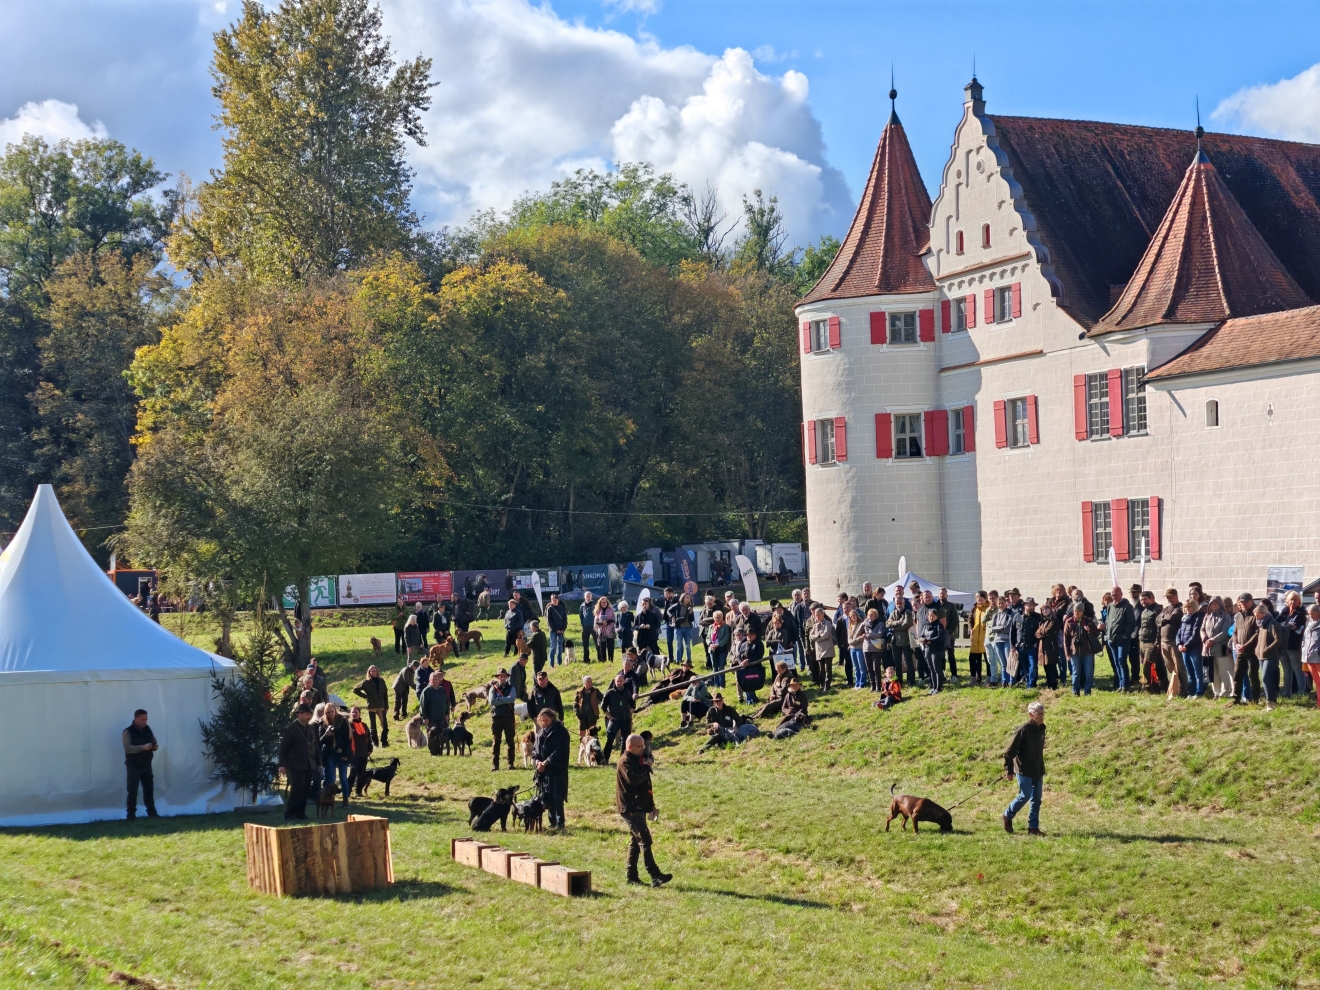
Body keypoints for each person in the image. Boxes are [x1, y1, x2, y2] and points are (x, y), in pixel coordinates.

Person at [616, 733, 673, 887]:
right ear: (629, 746)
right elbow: (634, 780)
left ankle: (632, 877)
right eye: (639, 746)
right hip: (630, 808)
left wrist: (651, 806)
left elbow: (645, 785)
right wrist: (647, 767)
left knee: (635, 842)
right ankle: (655, 875)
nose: (643, 749)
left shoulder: (638, 760)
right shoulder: (625, 762)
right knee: (645, 840)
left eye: (643, 746)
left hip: (640, 807)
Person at [1002, 701, 1047, 836]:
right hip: (1023, 770)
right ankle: (1007, 815)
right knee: (1024, 796)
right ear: (1031, 715)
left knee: (1037, 799)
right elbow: (1009, 752)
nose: (1042, 716)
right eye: (1039, 714)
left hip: (1038, 769)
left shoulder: (1042, 728)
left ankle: (1033, 828)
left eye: (1043, 713)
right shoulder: (1023, 730)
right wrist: (1009, 771)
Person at [278, 704, 319, 821]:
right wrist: (281, 764)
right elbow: (283, 747)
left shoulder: (310, 728)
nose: (309, 716)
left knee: (306, 789)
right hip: (294, 764)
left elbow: (315, 746)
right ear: (299, 714)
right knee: (297, 788)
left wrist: (318, 762)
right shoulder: (291, 728)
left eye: (310, 714)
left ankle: (300, 813)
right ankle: (290, 813)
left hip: (308, 763)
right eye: (306, 714)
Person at [532, 709, 570, 829]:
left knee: (557, 797)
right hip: (544, 772)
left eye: (546, 720)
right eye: (542, 720)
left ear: (552, 718)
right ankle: (552, 821)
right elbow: (535, 751)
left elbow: (560, 751)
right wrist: (537, 762)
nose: (544, 723)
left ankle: (560, 823)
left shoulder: (561, 732)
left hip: (557, 770)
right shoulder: (539, 733)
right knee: (546, 797)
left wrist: (546, 762)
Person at [123, 709, 159, 820]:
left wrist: (154, 746)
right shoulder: (127, 731)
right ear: (136, 718)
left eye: (146, 719)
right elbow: (128, 748)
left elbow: (154, 743)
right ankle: (131, 814)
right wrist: (143, 747)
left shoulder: (147, 729)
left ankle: (152, 813)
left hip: (146, 764)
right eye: (142, 719)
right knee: (132, 790)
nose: (145, 721)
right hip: (133, 765)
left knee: (149, 789)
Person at [1063, 603, 1100, 696]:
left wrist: (1089, 630)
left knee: (1089, 672)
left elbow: (1097, 634)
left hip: (1088, 651)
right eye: (1075, 611)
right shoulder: (1069, 621)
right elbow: (1065, 639)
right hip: (1074, 651)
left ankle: (1087, 691)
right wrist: (1067, 653)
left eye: (1078, 611)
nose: (1076, 613)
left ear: (1082, 612)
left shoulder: (1088, 621)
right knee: (1076, 672)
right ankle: (1075, 690)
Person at [1200, 596, 1233, 698]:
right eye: (1212, 604)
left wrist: (1212, 640)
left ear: (1220, 604)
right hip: (1208, 648)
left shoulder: (1225, 616)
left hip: (1221, 647)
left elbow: (1224, 632)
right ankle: (1216, 692)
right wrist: (1205, 639)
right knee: (1213, 672)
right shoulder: (1207, 616)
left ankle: (1225, 692)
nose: (1214, 606)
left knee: (1223, 671)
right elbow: (1202, 629)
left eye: (1216, 603)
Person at [1232, 594, 1261, 704]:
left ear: (1251, 601)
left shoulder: (1255, 614)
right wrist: (1236, 644)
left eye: (1244, 602)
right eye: (1241, 602)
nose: (1242, 604)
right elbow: (1235, 632)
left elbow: (1257, 633)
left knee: (1253, 675)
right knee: (1237, 675)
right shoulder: (1239, 615)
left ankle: (1255, 699)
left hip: (1252, 651)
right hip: (1240, 651)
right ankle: (1236, 698)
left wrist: (1245, 646)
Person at [320, 703, 352, 804]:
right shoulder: (323, 722)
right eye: (328, 712)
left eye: (332, 711)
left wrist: (346, 754)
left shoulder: (342, 721)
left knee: (343, 778)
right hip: (330, 754)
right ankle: (328, 799)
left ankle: (345, 799)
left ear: (335, 710)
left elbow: (348, 739)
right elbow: (320, 741)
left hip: (342, 752)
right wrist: (326, 735)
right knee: (332, 778)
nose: (330, 714)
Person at [1105, 587, 1136, 691]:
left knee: (1121, 661)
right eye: (1112, 594)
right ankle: (1120, 684)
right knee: (1116, 662)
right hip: (1111, 639)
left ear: (1121, 594)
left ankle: (1125, 685)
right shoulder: (1110, 606)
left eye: (1116, 594)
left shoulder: (1127, 606)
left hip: (1122, 639)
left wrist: (1126, 635)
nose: (1114, 596)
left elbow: (1131, 622)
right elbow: (1108, 621)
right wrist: (1107, 633)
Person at [1254, 603, 1283, 711]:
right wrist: (1258, 650)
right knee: (1266, 679)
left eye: (1258, 615)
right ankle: (1270, 702)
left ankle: (1271, 703)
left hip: (1271, 656)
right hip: (1261, 656)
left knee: (1266, 679)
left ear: (1264, 613)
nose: (1256, 617)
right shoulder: (1262, 625)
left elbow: (1278, 640)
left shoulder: (1273, 623)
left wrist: (1267, 649)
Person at [601, 673, 635, 764]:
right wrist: (609, 716)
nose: (619, 683)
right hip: (614, 720)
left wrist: (631, 710)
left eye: (620, 681)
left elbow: (633, 704)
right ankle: (605, 759)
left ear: (624, 681)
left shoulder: (627, 693)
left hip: (626, 720)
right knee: (610, 740)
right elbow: (603, 706)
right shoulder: (610, 693)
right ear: (615, 682)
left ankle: (623, 759)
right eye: (617, 681)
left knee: (625, 741)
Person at [1280, 591, 1309, 698]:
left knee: (1298, 670)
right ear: (1287, 601)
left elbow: (1295, 627)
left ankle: (1302, 692)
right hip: (1283, 645)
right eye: (1291, 599)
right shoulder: (1284, 612)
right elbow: (1276, 623)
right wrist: (1286, 625)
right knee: (1286, 671)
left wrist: (1285, 625)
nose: (1293, 602)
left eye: (1295, 600)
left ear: (1299, 602)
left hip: (1294, 646)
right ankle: (1286, 692)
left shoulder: (1300, 614)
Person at [353, 664, 390, 746]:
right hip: (372, 706)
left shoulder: (381, 681)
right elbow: (355, 690)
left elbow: (385, 694)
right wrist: (365, 696)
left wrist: (386, 706)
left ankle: (384, 742)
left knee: (385, 725)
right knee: (373, 726)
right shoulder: (366, 682)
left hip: (381, 706)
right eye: (372, 671)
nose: (373, 672)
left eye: (375, 671)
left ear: (377, 671)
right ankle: (375, 742)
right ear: (369, 672)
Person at [488, 669, 518, 771]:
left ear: (507, 677)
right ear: (498, 677)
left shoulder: (511, 688)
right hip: (496, 718)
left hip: (508, 717)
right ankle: (495, 765)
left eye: (504, 676)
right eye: (501, 676)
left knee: (510, 741)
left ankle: (511, 763)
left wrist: (499, 699)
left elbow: (512, 699)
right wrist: (505, 699)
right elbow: (492, 701)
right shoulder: (493, 689)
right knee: (496, 742)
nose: (502, 678)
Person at [1009, 598, 1042, 688]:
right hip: (1020, 646)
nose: (1031, 607)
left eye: (1033, 606)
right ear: (1025, 605)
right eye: (1029, 605)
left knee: (1033, 666)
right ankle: (1029, 682)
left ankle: (1031, 684)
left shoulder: (1038, 617)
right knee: (1024, 667)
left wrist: (1037, 643)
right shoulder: (1017, 616)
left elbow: (1041, 632)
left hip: (1032, 646)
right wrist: (1012, 646)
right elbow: (1012, 633)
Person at [886, 592, 916, 687]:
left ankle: (912, 681)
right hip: (895, 641)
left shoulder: (908, 612)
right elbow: (887, 624)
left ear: (903, 603)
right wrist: (898, 622)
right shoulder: (893, 613)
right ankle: (899, 681)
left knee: (909, 661)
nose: (899, 605)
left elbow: (907, 624)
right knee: (897, 663)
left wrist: (894, 626)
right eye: (897, 603)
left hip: (906, 640)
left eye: (900, 603)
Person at [1157, 589, 1183, 696]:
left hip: (1173, 642)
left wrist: (1164, 617)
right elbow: (1157, 620)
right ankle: (1172, 688)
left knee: (1178, 667)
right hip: (1163, 642)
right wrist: (1164, 618)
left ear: (1176, 596)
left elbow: (1173, 617)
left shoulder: (1179, 608)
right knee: (1169, 667)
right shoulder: (1167, 608)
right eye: (1167, 597)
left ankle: (1181, 688)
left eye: (1170, 597)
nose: (1169, 599)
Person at [1176, 600, 1204, 699]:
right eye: (1185, 607)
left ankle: (1199, 692)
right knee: (1189, 672)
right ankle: (1191, 692)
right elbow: (1179, 632)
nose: (1187, 609)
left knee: (1197, 672)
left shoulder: (1198, 617)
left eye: (1189, 607)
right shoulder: (1184, 618)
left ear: (1194, 607)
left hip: (1194, 648)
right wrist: (1179, 644)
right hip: (1185, 649)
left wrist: (1186, 645)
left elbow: (1195, 634)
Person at [346, 706, 373, 796]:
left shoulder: (364, 725)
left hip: (364, 753)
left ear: (359, 713)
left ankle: (358, 791)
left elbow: (368, 739)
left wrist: (370, 749)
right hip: (354, 753)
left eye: (356, 712)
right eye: (352, 712)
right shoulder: (348, 725)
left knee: (362, 773)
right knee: (353, 773)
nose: (354, 714)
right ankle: (348, 791)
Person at [809, 604, 836, 690]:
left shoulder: (827, 623)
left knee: (828, 668)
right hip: (819, 650)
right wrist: (818, 636)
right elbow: (811, 636)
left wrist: (817, 638)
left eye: (819, 614)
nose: (817, 616)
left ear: (823, 614)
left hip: (827, 649)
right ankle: (822, 684)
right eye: (816, 615)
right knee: (821, 669)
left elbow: (826, 635)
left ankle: (827, 685)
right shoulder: (815, 625)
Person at [1035, 603, 1062, 690]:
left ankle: (1054, 684)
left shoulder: (1054, 620)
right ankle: (1049, 684)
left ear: (1050, 610)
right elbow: (1036, 634)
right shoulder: (1042, 621)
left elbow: (1047, 631)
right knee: (1045, 666)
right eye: (1043, 610)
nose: (1045, 611)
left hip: (1051, 646)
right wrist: (1040, 632)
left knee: (1052, 665)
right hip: (1042, 646)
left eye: (1046, 609)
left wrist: (1040, 632)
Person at [968, 592, 989, 686]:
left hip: (985, 638)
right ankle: (974, 678)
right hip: (975, 637)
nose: (978, 600)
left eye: (980, 599)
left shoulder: (989, 608)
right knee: (973, 659)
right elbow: (969, 619)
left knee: (988, 659)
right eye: (977, 598)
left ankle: (989, 678)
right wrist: (971, 628)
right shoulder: (974, 608)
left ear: (985, 599)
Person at [669, 592, 696, 666]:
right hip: (678, 628)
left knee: (688, 645)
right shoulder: (677, 605)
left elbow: (692, 619)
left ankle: (689, 660)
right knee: (679, 645)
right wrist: (672, 616)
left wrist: (691, 613)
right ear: (683, 598)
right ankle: (678, 660)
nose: (688, 599)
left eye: (689, 597)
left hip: (687, 628)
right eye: (687, 597)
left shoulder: (690, 607)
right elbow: (668, 611)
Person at [1301, 603, 1320, 705]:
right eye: (1309, 614)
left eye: (1313, 614)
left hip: (1318, 657)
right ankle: (1319, 703)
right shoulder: (1308, 624)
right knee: (1317, 682)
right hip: (1308, 657)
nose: (1311, 616)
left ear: (1319, 613)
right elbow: (1304, 640)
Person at [708, 609, 731, 688]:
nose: (717, 619)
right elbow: (707, 638)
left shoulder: (725, 626)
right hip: (712, 649)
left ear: (722, 617)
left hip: (721, 649)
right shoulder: (711, 627)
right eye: (715, 617)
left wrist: (718, 644)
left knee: (721, 667)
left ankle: (722, 684)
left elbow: (726, 637)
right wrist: (710, 644)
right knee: (714, 667)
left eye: (719, 617)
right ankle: (716, 684)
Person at [546, 593, 568, 668]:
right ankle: (551, 664)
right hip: (553, 631)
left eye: (555, 600)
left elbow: (565, 619)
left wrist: (563, 629)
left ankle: (559, 662)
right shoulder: (550, 609)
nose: (554, 601)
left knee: (560, 647)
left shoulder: (562, 608)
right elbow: (549, 621)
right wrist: (556, 630)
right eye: (553, 600)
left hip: (561, 630)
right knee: (553, 646)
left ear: (558, 600)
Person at [594, 597, 617, 666]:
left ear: (607, 602)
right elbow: (596, 621)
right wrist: (602, 622)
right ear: (600, 603)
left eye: (605, 602)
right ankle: (603, 660)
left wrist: (607, 622)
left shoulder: (611, 609)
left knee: (610, 646)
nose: (604, 603)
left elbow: (613, 619)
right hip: (601, 631)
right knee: (602, 646)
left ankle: (611, 660)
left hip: (610, 630)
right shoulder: (598, 611)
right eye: (602, 602)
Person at [579, 591, 598, 661]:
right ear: (584, 597)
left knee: (597, 643)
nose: (588, 598)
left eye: (589, 597)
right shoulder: (582, 605)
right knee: (585, 644)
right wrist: (583, 624)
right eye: (586, 597)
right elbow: (581, 616)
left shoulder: (595, 604)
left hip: (594, 627)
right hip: (585, 628)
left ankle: (600, 658)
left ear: (591, 597)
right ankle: (586, 659)